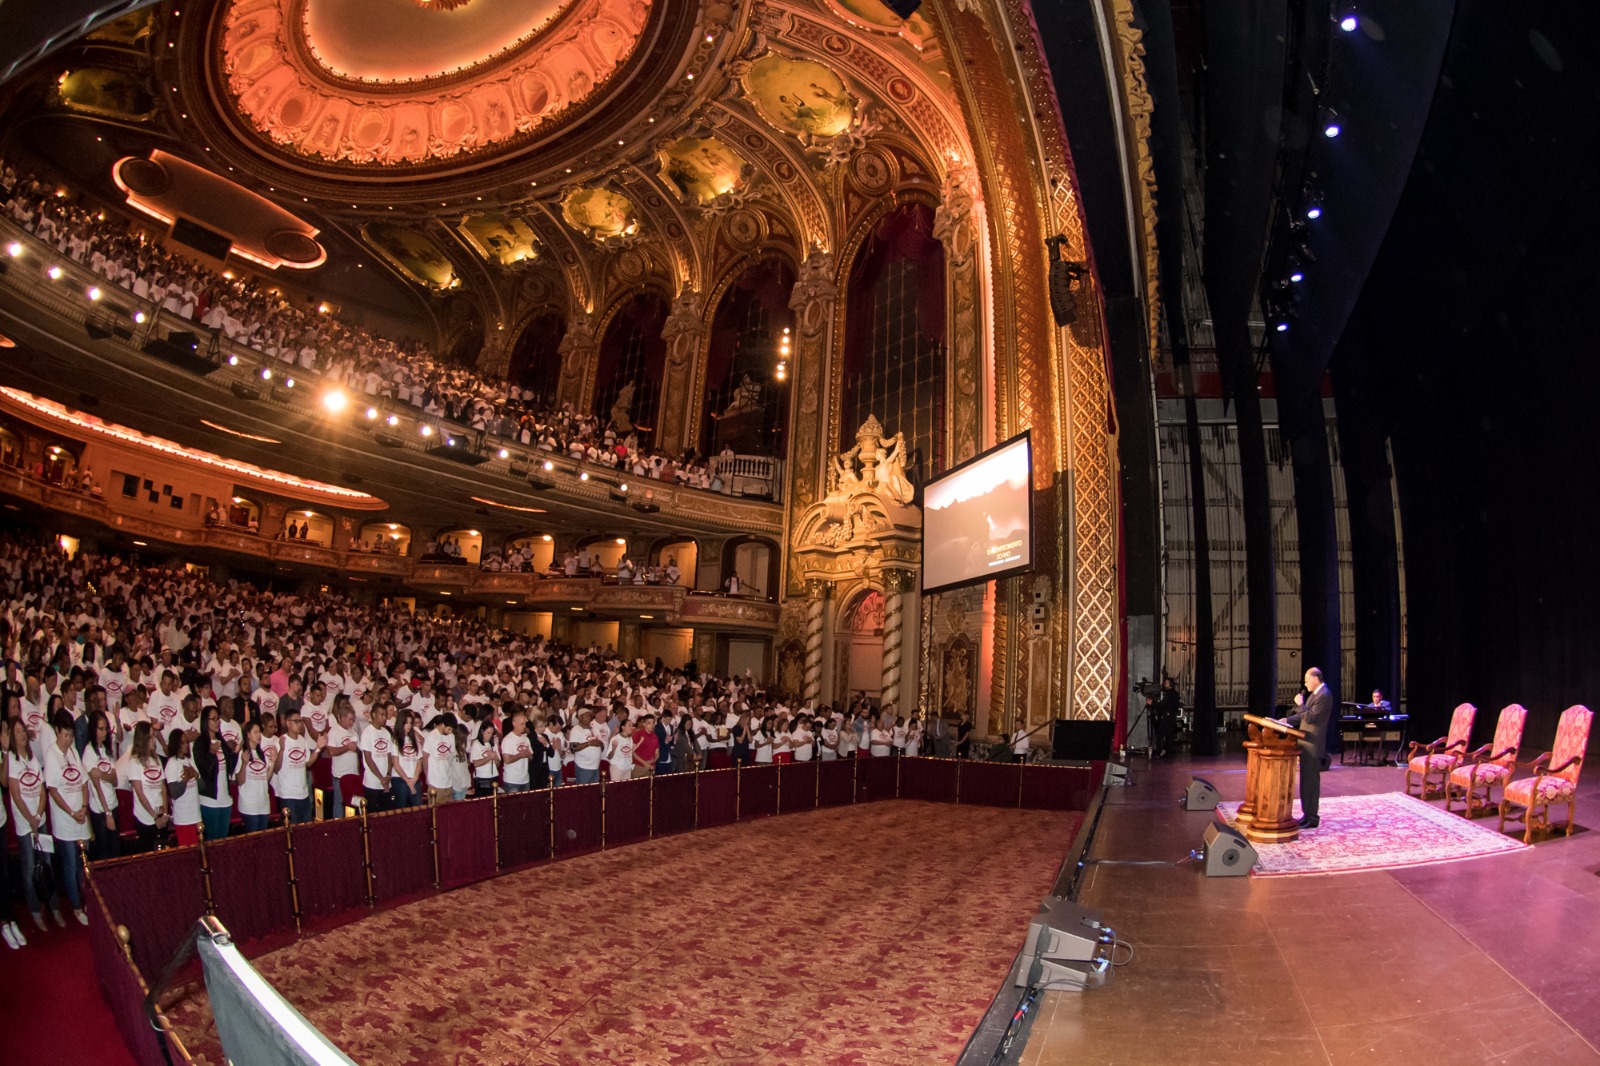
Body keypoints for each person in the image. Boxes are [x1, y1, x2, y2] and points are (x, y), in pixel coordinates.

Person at [43, 712, 90, 925]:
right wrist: (72, 812)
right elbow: (52, 790)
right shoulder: (51, 754)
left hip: (80, 815)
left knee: (83, 864)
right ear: (57, 732)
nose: (69, 740)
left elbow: (83, 782)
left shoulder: (72, 751)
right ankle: (77, 907)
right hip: (65, 820)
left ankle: (87, 900)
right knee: (70, 865)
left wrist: (83, 807)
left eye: (71, 735)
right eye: (65, 736)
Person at [1283, 666, 1335, 829]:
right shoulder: (1315, 694)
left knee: (1311, 783)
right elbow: (1302, 716)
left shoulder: (1324, 695)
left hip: (1312, 744)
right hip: (1305, 744)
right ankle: (1307, 815)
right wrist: (1286, 720)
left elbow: (1311, 717)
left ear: (1315, 679)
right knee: (1306, 782)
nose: (1305, 684)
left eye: (1306, 680)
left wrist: (1300, 704)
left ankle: (1312, 817)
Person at [194, 706, 238, 841]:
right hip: (210, 799)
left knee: (223, 838)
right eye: (213, 719)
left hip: (225, 799)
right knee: (212, 839)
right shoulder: (201, 743)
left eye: (218, 718)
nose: (217, 721)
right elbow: (203, 769)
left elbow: (229, 769)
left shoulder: (221, 742)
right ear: (205, 722)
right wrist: (211, 754)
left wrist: (235, 754)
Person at [163, 730, 202, 847]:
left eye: (187, 742)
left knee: (198, 850)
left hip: (195, 814)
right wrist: (185, 779)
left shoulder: (189, 760)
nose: (186, 745)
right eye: (183, 743)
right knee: (186, 851)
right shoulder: (172, 764)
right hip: (183, 816)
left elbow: (201, 787)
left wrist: (196, 776)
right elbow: (174, 793)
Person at [235, 721, 275, 833]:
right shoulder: (242, 754)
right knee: (252, 839)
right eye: (255, 732)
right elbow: (240, 781)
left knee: (262, 840)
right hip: (249, 805)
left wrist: (272, 762)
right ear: (248, 734)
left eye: (259, 732)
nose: (258, 735)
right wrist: (244, 764)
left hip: (263, 804)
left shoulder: (262, 754)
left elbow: (266, 779)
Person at [1153, 678, 1181, 759]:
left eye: (1166, 683)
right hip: (1171, 717)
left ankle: (1159, 752)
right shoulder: (1174, 694)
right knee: (1169, 736)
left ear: (1171, 684)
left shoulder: (1169, 694)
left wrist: (1153, 703)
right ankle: (1168, 753)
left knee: (1161, 735)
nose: (1164, 684)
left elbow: (1163, 704)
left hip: (1167, 717)